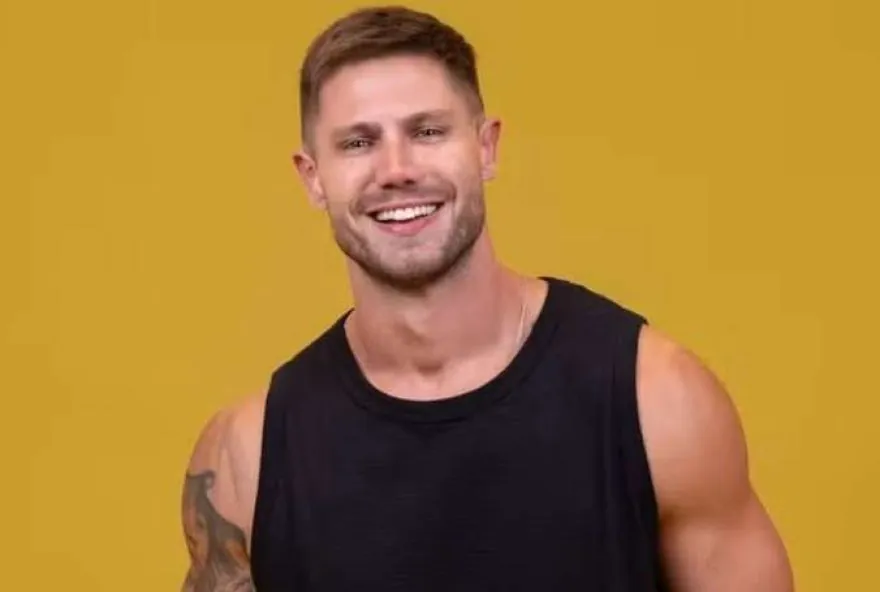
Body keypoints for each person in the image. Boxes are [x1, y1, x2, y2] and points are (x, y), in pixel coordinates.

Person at [179, 5, 794, 591]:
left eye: (427, 131)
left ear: (486, 147)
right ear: (313, 178)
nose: (396, 169)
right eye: (358, 143)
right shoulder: (244, 459)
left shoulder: (655, 400)